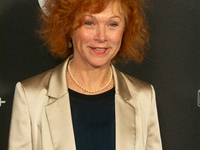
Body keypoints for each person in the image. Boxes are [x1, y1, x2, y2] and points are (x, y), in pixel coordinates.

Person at [8, 0, 162, 149]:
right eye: (89, 23)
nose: (101, 36)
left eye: (112, 24)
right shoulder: (31, 97)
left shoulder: (143, 97)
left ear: (125, 30)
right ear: (68, 27)